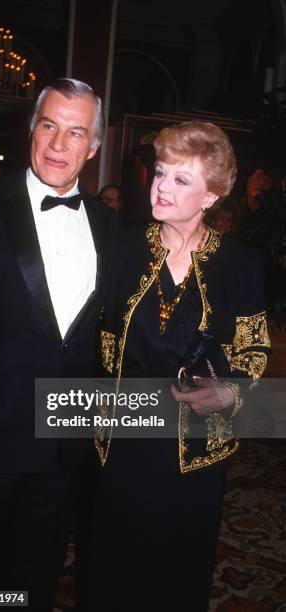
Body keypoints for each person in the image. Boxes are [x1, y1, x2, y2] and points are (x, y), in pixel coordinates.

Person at [84, 121, 270, 612]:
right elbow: (82, 328)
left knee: (177, 568)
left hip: (196, 445)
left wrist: (229, 393)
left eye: (180, 180)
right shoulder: (120, 249)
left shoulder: (242, 265)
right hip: (121, 436)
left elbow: (254, 349)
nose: (160, 187)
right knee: (113, 562)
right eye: (160, 173)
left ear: (211, 195)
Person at [0, 78, 115, 612]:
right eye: (48, 126)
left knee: (37, 571)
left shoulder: (111, 227)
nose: (58, 145)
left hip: (66, 441)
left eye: (75, 133)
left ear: (93, 147)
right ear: (30, 130)